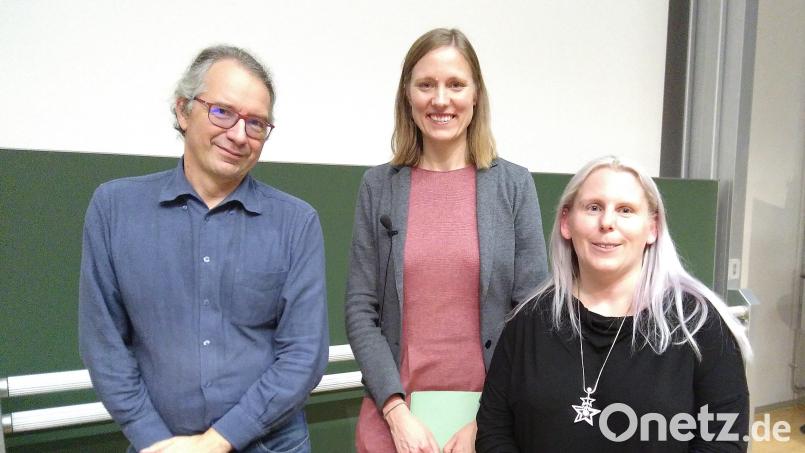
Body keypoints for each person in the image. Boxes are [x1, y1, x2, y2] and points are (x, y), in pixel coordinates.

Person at [78, 45, 328, 453]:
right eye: (223, 112)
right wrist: (154, 440)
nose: (239, 134)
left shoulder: (296, 223)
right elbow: (104, 344)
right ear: (183, 110)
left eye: (257, 123)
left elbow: (304, 356)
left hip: (272, 445)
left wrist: (214, 443)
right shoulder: (114, 209)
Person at [345, 28, 549, 453]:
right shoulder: (378, 186)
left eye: (456, 84)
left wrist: (486, 421)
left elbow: (532, 314)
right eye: (426, 85)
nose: (441, 99)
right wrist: (396, 413)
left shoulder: (513, 185)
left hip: (490, 421)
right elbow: (361, 310)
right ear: (408, 94)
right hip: (394, 422)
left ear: (476, 95)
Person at [475, 156, 752, 452]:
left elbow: (723, 442)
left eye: (626, 210)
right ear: (566, 222)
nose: (607, 223)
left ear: (652, 228)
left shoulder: (699, 326)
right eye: (593, 207)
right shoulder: (528, 322)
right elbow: (494, 430)